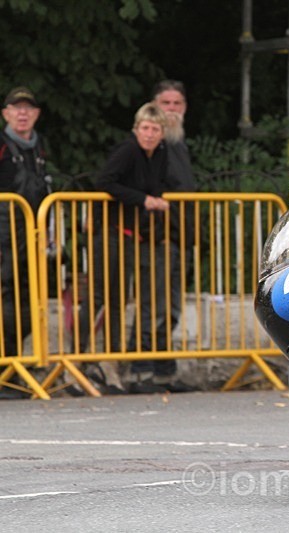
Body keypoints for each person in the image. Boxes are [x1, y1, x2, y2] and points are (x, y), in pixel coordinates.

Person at [78, 102, 170, 394]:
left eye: (155, 129)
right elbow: (104, 182)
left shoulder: (160, 155)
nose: (149, 134)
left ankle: (111, 362)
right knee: (97, 296)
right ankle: (78, 358)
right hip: (108, 230)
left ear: (162, 133)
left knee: (119, 299)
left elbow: (155, 188)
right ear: (136, 129)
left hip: (130, 234)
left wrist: (151, 201)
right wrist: (143, 200)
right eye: (144, 128)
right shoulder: (128, 150)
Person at [125, 80, 198, 393]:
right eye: (165, 104)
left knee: (171, 305)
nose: (171, 110)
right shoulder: (148, 147)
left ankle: (163, 370)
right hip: (156, 235)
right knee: (151, 302)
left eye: (176, 104)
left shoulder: (178, 144)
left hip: (179, 235)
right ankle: (138, 368)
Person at [0, 87, 50, 398]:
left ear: (36, 114)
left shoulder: (39, 146)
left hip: (32, 232)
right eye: (16, 108)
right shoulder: (3, 145)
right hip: (3, 231)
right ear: (5, 113)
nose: (23, 113)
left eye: (28, 109)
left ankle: (17, 363)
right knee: (7, 298)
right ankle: (6, 368)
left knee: (30, 300)